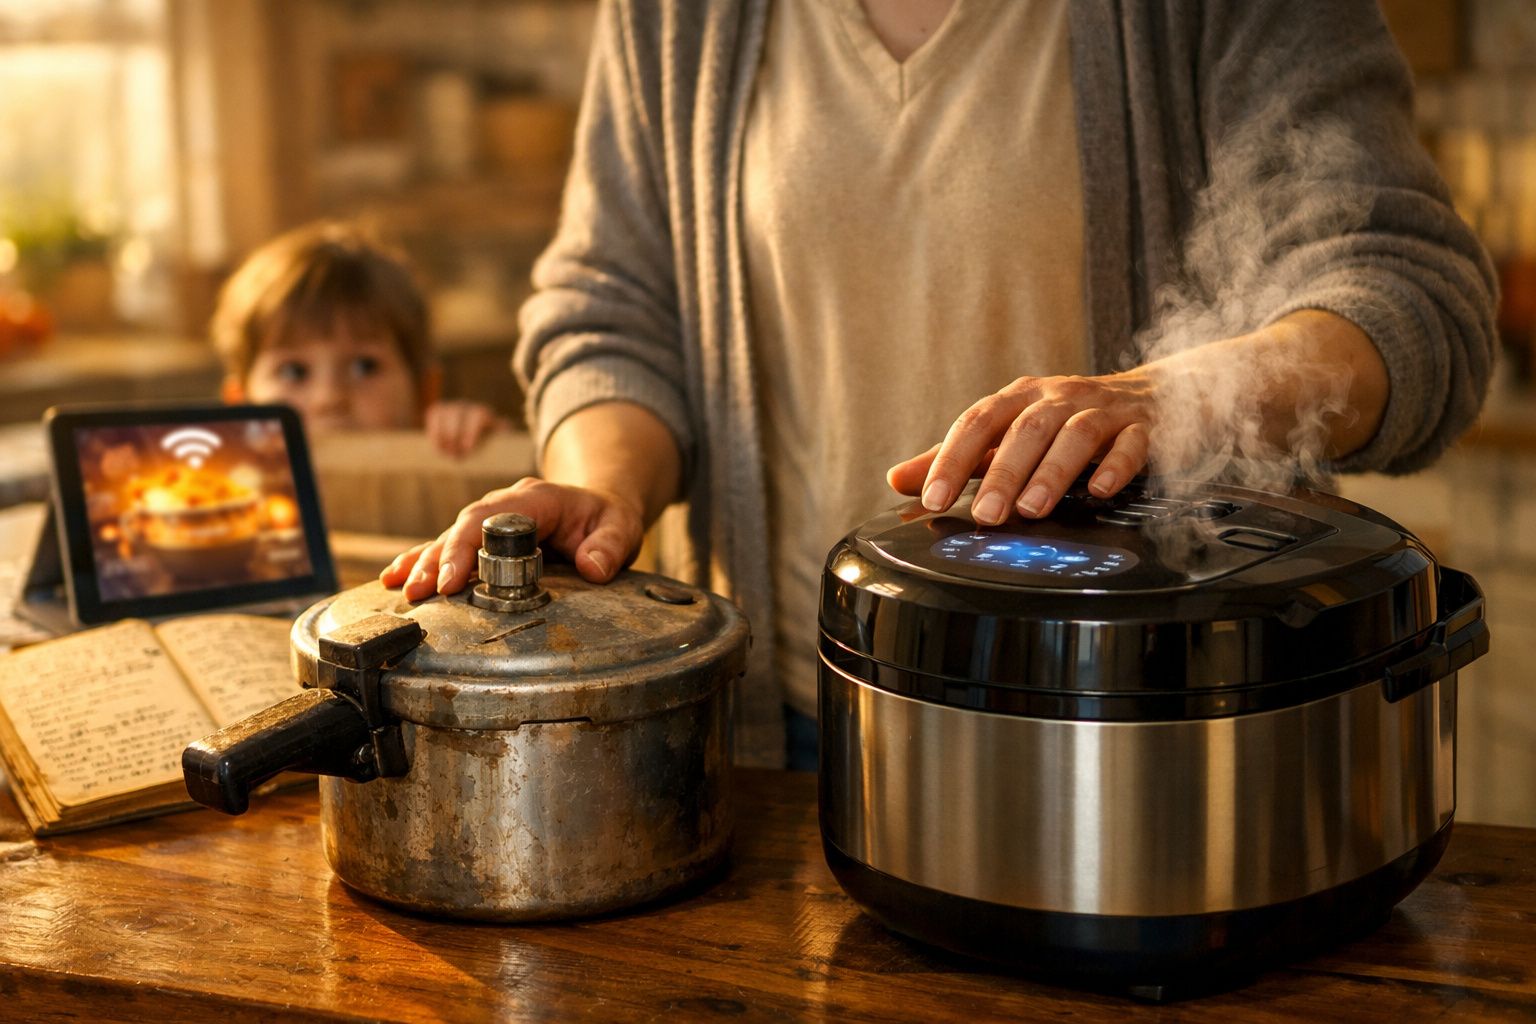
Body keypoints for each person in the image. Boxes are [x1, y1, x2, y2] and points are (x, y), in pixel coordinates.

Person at [382, 1, 1498, 769]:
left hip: (1153, 748)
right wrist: (606, 483)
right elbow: (614, 302)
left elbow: (1407, 290)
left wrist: (1190, 394)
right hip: (779, 727)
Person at [212, 220, 508, 455]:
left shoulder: (451, 454)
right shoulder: (219, 497)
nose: (328, 399)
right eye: (293, 371)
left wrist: (479, 447)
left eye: (364, 367)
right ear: (241, 409)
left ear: (424, 394)